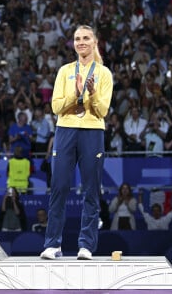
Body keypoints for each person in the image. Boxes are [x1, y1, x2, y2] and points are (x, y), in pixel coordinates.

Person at [40, 25, 113, 261]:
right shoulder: (65, 71)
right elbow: (56, 106)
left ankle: (86, 245)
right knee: (59, 187)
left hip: (92, 131)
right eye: (77, 39)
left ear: (94, 42)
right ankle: (52, 244)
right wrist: (75, 93)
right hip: (66, 130)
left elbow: (102, 111)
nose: (81, 42)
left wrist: (90, 93)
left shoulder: (104, 74)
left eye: (86, 38)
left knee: (92, 189)